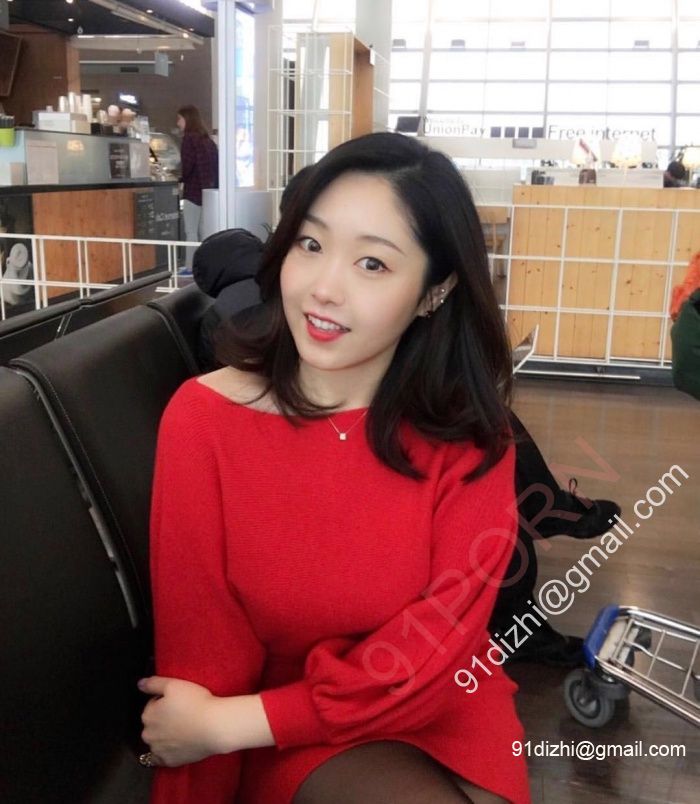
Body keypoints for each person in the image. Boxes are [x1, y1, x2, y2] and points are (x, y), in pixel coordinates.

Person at [139, 132, 531, 803]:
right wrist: (212, 737)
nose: (324, 289)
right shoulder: (205, 422)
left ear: (435, 291)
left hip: (436, 700)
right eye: (310, 244)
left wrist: (228, 724)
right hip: (278, 730)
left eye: (372, 264)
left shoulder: (470, 435)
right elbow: (202, 664)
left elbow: (438, 650)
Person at [176, 104, 219, 269]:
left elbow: (187, 166)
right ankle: (205, 267)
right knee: (204, 231)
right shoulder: (207, 140)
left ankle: (190, 267)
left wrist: (180, 178)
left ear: (187, 119)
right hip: (208, 192)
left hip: (193, 191)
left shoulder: (188, 139)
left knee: (191, 231)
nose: (178, 123)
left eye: (179, 119)